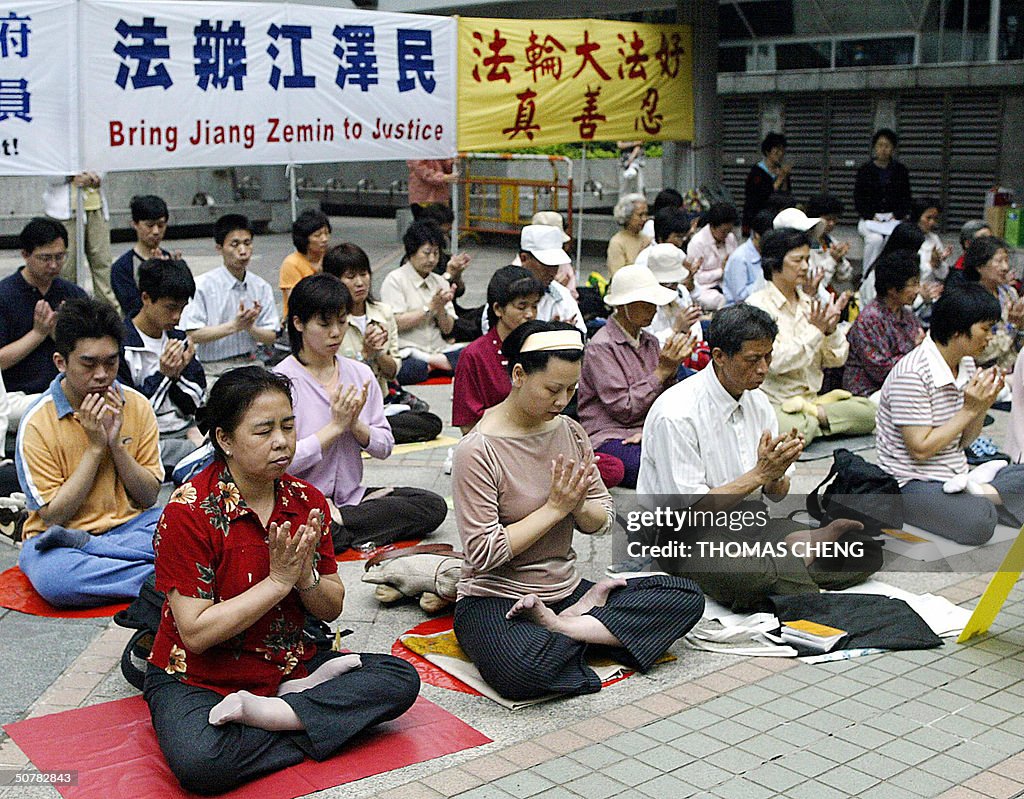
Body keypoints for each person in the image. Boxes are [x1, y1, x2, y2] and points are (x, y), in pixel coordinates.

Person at [144, 366, 419, 795]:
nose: (282, 441)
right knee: (201, 764)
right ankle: (311, 717)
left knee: (399, 678)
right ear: (225, 440)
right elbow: (195, 634)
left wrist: (304, 578)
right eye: (263, 431)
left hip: (288, 663)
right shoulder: (189, 512)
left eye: (289, 426)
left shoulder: (306, 500)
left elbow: (332, 607)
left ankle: (277, 712)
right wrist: (277, 582)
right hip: (199, 677)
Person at [451, 320, 704, 701]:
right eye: (553, 389)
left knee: (684, 595)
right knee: (522, 670)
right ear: (519, 375)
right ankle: (593, 633)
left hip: (567, 592)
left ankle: (567, 629)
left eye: (571, 390)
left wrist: (578, 506)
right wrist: (555, 508)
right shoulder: (478, 450)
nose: (561, 401)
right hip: (497, 598)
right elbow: (483, 553)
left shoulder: (569, 431)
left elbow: (601, 515)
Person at [637, 305, 876, 611]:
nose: (764, 369)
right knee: (751, 576)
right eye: (752, 360)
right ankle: (797, 555)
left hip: (749, 525)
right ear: (720, 356)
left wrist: (777, 474)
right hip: (686, 537)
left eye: (768, 357)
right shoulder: (677, 414)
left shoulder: (759, 403)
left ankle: (787, 560)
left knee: (864, 554)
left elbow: (774, 497)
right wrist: (760, 474)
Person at [275, 274, 447, 553]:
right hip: (298, 500)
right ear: (298, 323)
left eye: (342, 322)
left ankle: (341, 521)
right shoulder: (280, 383)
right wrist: (334, 427)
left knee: (432, 505)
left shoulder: (359, 374)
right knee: (298, 530)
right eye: (324, 324)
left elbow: (384, 447)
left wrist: (355, 425)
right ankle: (334, 526)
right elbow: (280, 462)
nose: (336, 332)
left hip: (349, 498)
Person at [15, 298, 163, 607]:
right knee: (57, 581)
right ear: (61, 362)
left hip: (131, 528)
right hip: (63, 540)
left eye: (111, 362)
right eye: (88, 363)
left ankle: (141, 569)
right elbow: (53, 516)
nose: (102, 374)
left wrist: (115, 445)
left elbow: (149, 497)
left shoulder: (136, 405)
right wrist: (96, 449)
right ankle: (161, 576)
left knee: (186, 525)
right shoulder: (38, 421)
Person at [876, 284, 1024, 544]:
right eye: (986, 329)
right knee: (977, 523)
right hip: (911, 483)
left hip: (955, 472)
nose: (990, 337)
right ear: (958, 330)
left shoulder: (964, 362)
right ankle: (986, 497)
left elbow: (965, 441)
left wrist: (980, 406)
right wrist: (969, 409)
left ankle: (980, 492)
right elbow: (920, 450)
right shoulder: (912, 373)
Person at [454, 268, 627, 489]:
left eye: (535, 306)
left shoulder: (539, 344)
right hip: (501, 444)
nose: (530, 314)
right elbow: (468, 425)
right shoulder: (475, 355)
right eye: (521, 306)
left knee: (611, 467)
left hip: (543, 436)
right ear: (498, 309)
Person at [746, 228, 876, 443]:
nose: (805, 267)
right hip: (777, 403)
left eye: (807, 259)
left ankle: (815, 419)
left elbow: (837, 359)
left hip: (814, 401)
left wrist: (831, 331)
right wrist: (815, 332)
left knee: (869, 412)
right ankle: (822, 423)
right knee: (793, 427)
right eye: (798, 260)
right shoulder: (758, 305)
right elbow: (775, 362)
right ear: (775, 263)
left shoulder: (809, 303)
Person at [578, 264, 693, 489]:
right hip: (610, 434)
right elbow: (624, 409)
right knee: (654, 465)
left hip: (646, 429)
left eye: (653, 304)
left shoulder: (650, 341)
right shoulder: (601, 347)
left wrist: (671, 372)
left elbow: (667, 400)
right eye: (644, 304)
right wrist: (661, 372)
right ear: (623, 306)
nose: (652, 310)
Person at [324, 243, 442, 444]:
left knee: (430, 421)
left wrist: (378, 353)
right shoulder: (330, 321)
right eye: (350, 277)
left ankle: (366, 433)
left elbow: (393, 372)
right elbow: (333, 376)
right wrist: (365, 355)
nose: (360, 282)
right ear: (334, 280)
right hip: (342, 405)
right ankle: (362, 433)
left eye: (364, 274)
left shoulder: (383, 313)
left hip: (380, 401)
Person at [119, 259, 206, 472]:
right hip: (144, 436)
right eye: (170, 308)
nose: (176, 317)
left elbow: (195, 401)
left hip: (183, 428)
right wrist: (164, 375)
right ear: (146, 298)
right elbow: (132, 412)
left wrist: (178, 375)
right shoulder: (122, 345)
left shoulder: (178, 339)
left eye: (182, 308)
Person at [0, 218, 88, 427]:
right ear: (25, 255)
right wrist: (38, 334)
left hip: (67, 388)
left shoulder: (72, 294)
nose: (54, 265)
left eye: (60, 257)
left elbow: (89, 348)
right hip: (16, 395)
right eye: (45, 258)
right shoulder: (4, 295)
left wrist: (60, 334)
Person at [180, 214, 280, 380]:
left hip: (251, 363)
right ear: (219, 248)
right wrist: (235, 326)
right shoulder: (201, 285)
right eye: (235, 244)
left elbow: (271, 335)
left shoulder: (261, 286)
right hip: (212, 368)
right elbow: (192, 333)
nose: (242, 251)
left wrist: (250, 327)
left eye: (247, 243)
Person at [381, 221, 464, 384]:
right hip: (409, 351)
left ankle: (435, 363)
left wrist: (441, 309)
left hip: (439, 348)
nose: (432, 259)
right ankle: (439, 364)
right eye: (426, 253)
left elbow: (447, 329)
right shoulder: (395, 280)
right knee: (410, 368)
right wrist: (430, 307)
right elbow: (395, 323)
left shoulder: (440, 282)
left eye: (436, 253)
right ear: (411, 252)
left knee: (472, 354)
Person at [481, 224, 587, 337]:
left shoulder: (563, 297)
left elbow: (581, 335)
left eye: (556, 265)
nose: (552, 272)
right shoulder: (503, 290)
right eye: (546, 264)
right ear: (524, 258)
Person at [843, 251, 924, 397]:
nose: (918, 290)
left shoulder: (907, 315)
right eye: (913, 284)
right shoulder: (870, 320)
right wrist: (915, 349)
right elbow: (881, 370)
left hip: (901, 387)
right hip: (868, 392)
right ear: (892, 289)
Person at [43, 171, 116, 307]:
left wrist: (94, 177)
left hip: (95, 206)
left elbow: (103, 159)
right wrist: (70, 176)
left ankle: (110, 318)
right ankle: (68, 313)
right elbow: (49, 170)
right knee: (66, 267)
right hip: (65, 211)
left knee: (102, 264)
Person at [854, 128, 913, 282]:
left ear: (892, 148)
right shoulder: (865, 170)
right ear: (875, 147)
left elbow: (906, 197)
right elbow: (858, 198)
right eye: (880, 145)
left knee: (891, 240)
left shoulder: (900, 170)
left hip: (892, 218)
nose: (883, 149)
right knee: (875, 240)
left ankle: (886, 278)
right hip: (870, 218)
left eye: (887, 146)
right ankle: (866, 278)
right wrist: (871, 215)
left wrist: (897, 214)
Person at [957, 236, 1024, 371]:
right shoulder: (970, 299)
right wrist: (1013, 327)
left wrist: (1021, 327)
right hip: (985, 372)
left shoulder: (1009, 293)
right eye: (999, 261)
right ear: (979, 266)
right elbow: (981, 353)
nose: (1005, 267)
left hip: (1015, 366)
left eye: (1006, 260)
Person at [111, 195, 180, 318]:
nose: (156, 231)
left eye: (161, 225)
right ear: (135, 224)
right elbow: (133, 309)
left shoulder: (171, 260)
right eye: (149, 225)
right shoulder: (122, 267)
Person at [687, 202, 739, 311]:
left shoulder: (730, 238)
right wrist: (721, 271)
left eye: (729, 231)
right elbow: (697, 277)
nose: (726, 235)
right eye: (724, 231)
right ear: (712, 226)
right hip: (705, 289)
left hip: (727, 284)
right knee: (721, 302)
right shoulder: (697, 243)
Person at [280, 209, 332, 314]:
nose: (324, 239)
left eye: (327, 233)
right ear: (304, 239)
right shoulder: (291, 264)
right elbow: (296, 302)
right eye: (318, 235)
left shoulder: (330, 256)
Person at [805, 193, 854, 294]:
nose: (831, 223)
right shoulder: (806, 243)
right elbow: (816, 281)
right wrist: (832, 260)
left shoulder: (831, 242)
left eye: (834, 219)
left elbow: (845, 277)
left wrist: (839, 260)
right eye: (828, 219)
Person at [743, 133, 792, 234]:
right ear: (767, 151)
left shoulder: (781, 171)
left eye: (782, 151)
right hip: (757, 219)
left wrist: (784, 178)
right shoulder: (757, 172)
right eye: (777, 151)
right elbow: (761, 197)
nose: (780, 154)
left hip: (776, 219)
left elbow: (786, 194)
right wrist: (779, 179)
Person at [723, 209, 773, 306]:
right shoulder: (739, 257)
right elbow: (740, 297)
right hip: (739, 311)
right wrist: (764, 280)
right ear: (757, 235)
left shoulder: (768, 253)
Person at [606, 193, 651, 275]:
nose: (644, 219)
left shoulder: (647, 239)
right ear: (627, 216)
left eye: (646, 214)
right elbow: (618, 276)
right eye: (640, 215)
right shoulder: (617, 242)